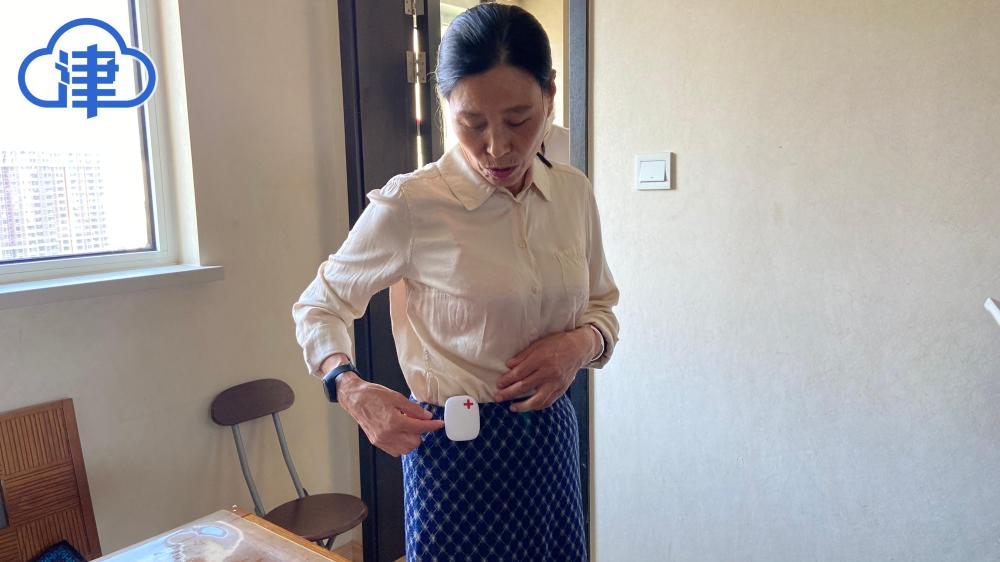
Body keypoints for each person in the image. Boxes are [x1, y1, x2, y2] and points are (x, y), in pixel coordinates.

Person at [292, 4, 618, 560]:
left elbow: (602, 306)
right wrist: (348, 387)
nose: (497, 147)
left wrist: (580, 345)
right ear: (446, 107)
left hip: (550, 442)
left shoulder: (572, 193)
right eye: (472, 123)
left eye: (519, 119)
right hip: (453, 455)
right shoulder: (412, 204)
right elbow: (319, 305)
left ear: (550, 96)